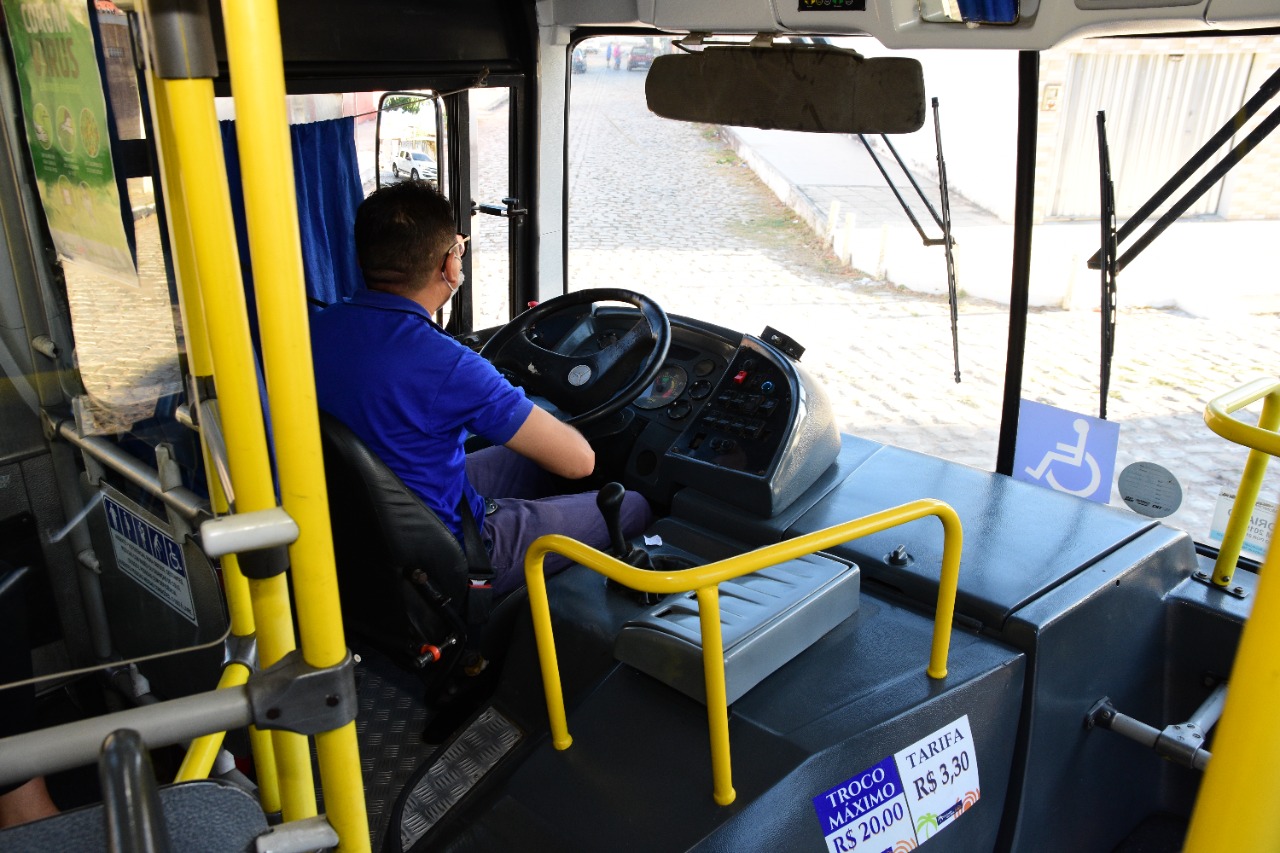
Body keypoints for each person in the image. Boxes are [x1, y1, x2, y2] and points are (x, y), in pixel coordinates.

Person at [311, 180, 652, 597]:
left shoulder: (314, 330)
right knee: (634, 505)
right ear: (450, 266)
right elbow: (579, 462)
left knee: (531, 464)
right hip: (450, 558)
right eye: (459, 250)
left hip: (361, 526)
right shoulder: (449, 365)